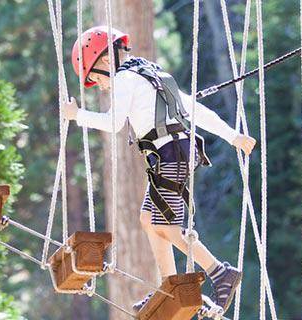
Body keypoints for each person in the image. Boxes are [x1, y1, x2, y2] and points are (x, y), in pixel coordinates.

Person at [61, 26, 256, 312]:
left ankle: (219, 272)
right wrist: (232, 135)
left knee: (164, 225)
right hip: (172, 153)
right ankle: (170, 287)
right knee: (149, 220)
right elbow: (194, 109)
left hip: (169, 154)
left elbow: (114, 123)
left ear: (104, 62)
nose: (100, 86)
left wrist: (76, 115)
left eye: (95, 79)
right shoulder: (151, 74)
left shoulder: (125, 79)